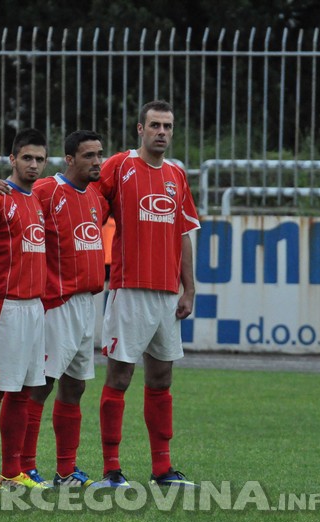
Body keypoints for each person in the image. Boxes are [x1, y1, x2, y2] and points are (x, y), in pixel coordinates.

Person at [93, 100, 200, 489]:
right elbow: (90, 208)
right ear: (140, 129)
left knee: (162, 378)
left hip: (167, 295)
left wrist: (189, 288)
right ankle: (111, 469)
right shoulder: (119, 166)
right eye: (154, 125)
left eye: (168, 126)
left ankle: (162, 470)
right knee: (119, 376)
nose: (162, 132)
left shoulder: (176, 174)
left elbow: (185, 232)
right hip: (129, 289)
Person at [19, 130, 108, 488]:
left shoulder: (96, 197)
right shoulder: (46, 191)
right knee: (40, 385)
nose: (97, 161)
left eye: (99, 154)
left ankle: (66, 470)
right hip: (56, 303)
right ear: (69, 159)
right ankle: (24, 465)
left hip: (87, 304)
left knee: (75, 388)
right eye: (88, 155)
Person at [0, 128, 48, 490]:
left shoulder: (35, 200)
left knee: (24, 391)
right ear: (12, 160)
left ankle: (13, 468)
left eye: (39, 159)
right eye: (27, 158)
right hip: (3, 304)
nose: (33, 165)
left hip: (34, 306)